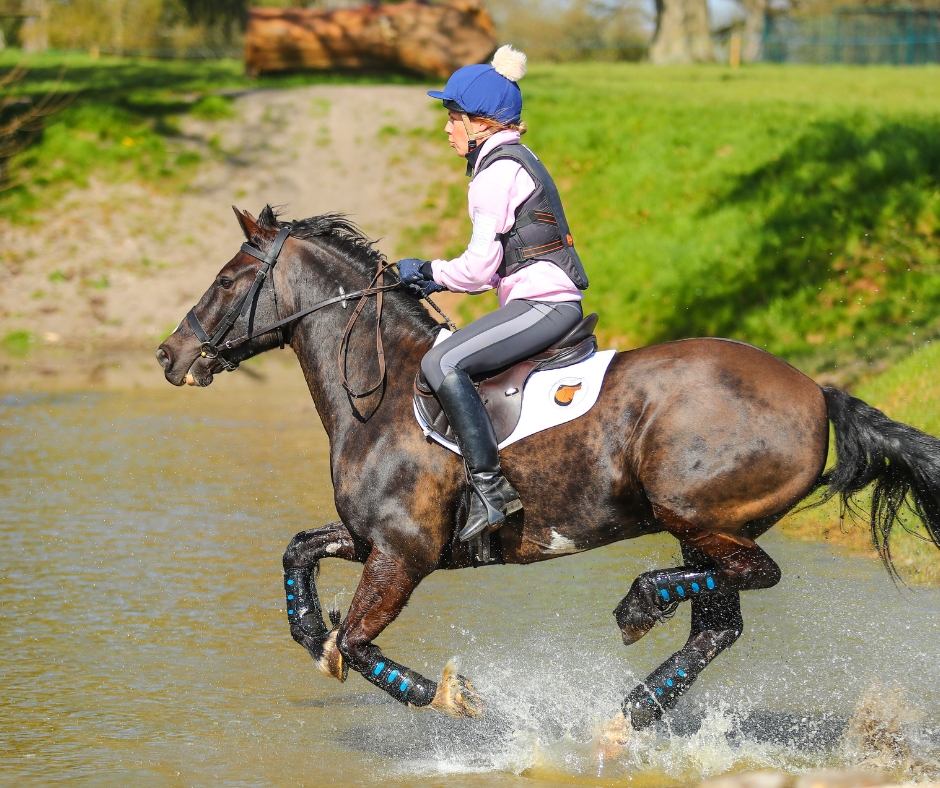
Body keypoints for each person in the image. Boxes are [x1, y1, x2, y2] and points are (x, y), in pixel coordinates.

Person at [398, 44, 589, 543]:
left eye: (453, 117)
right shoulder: (511, 158)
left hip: (544, 305)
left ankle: (491, 491)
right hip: (542, 301)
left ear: (480, 123)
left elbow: (480, 269)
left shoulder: (495, 173)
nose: (447, 128)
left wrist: (427, 270)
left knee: (441, 365)